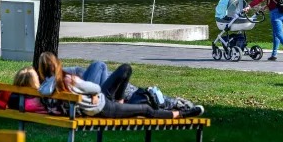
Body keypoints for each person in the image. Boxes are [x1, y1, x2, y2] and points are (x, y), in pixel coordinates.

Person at [36, 52, 204, 119]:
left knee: (122, 69)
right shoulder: (67, 80)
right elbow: (93, 88)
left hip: (99, 104)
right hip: (102, 107)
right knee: (145, 110)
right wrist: (93, 93)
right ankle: (180, 114)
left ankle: (122, 101)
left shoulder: (46, 86)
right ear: (57, 64)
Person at [63, 61, 196, 111]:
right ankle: (173, 103)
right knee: (139, 94)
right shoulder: (54, 83)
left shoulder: (52, 81)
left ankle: (172, 102)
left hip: (97, 98)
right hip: (96, 102)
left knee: (99, 67)